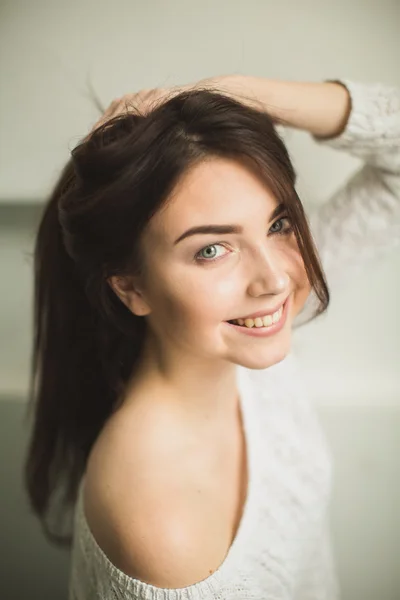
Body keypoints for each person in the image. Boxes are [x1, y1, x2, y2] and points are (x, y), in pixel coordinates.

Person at [24, 74, 400, 599]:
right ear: (132, 288)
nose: (274, 280)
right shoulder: (160, 529)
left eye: (279, 223)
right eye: (211, 250)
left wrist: (229, 95)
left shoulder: (246, 333)